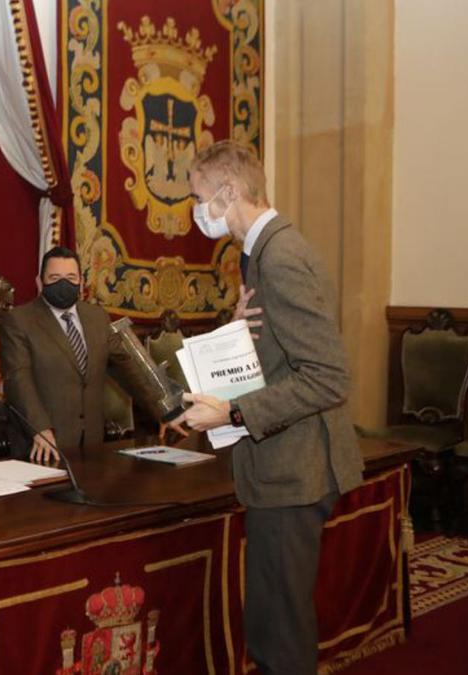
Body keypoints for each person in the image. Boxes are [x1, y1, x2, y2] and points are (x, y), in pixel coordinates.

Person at [169, 140, 364, 674]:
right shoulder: (262, 252)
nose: (195, 209)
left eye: (198, 195)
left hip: (294, 472)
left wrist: (231, 415)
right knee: (273, 619)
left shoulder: (280, 255)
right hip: (283, 468)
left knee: (279, 634)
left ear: (229, 191)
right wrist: (237, 329)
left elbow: (328, 376)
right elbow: (280, 353)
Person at [0, 247, 131, 462]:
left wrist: (165, 409)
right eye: (54, 277)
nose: (63, 283)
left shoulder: (98, 317)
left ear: (81, 282)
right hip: (42, 446)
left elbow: (126, 365)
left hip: (93, 443)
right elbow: (18, 378)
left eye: (71, 277)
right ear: (40, 283)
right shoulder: (18, 321)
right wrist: (40, 428)